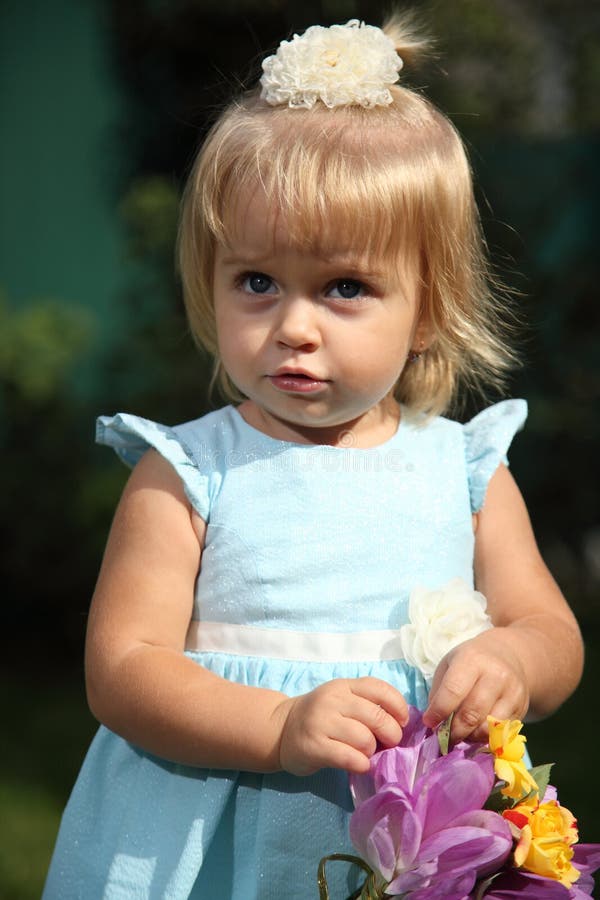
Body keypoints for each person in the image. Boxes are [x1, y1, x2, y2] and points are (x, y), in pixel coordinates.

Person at [43, 15, 584, 900]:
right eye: (256, 281)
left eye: (344, 288)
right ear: (209, 279)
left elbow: (552, 633)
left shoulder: (465, 470)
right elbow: (124, 666)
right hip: (213, 837)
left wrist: (514, 663)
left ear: (428, 311)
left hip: (414, 846)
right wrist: (277, 723)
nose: (293, 326)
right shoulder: (187, 473)